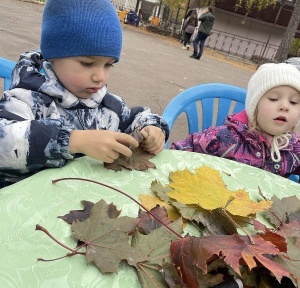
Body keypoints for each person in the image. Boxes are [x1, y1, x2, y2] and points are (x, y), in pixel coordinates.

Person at [0, 0, 169, 188]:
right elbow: (3, 140)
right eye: (87, 64)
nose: (100, 77)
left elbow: (134, 118)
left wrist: (152, 129)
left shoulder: (107, 106)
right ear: (53, 56)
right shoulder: (28, 99)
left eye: (108, 65)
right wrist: (73, 140)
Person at [171, 63, 300, 178]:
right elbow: (178, 151)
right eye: (273, 99)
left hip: (263, 204)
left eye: (294, 102)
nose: (285, 106)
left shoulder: (294, 146)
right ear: (254, 106)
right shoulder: (225, 138)